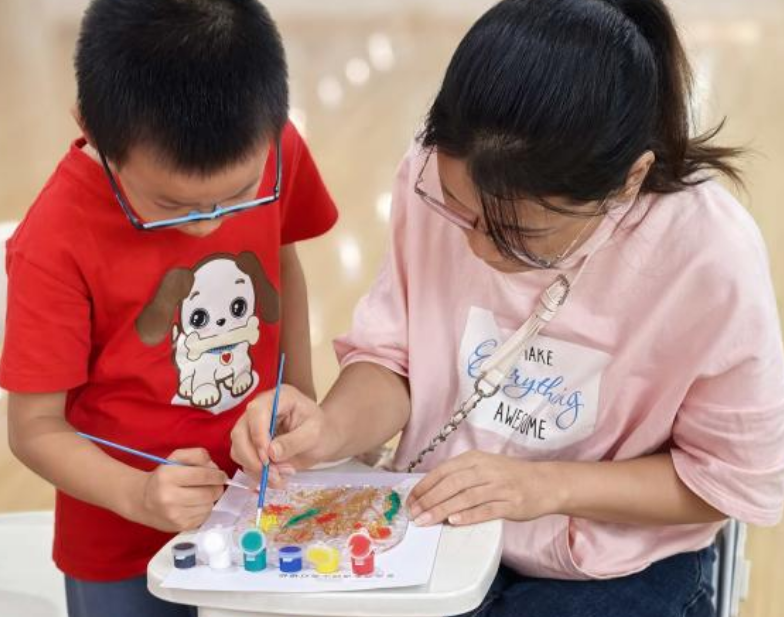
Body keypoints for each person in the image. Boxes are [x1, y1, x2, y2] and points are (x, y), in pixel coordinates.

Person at [231, 1, 784, 615]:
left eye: (517, 233)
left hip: (616, 562)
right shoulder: (440, 171)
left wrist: (542, 486)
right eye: (459, 210)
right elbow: (396, 361)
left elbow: (725, 482)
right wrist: (330, 429)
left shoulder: (707, 257)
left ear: (629, 181)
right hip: (443, 529)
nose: (477, 246)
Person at [2, 1, 337, 616]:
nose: (209, 225)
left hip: (260, 498)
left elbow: (282, 264)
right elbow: (34, 429)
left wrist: (302, 391)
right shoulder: (53, 240)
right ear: (91, 128)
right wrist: (137, 494)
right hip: (120, 539)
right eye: (170, 205)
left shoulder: (273, 146)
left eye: (237, 196)